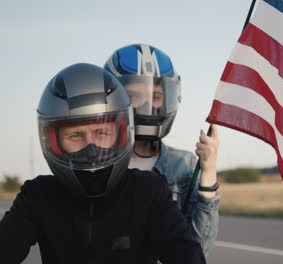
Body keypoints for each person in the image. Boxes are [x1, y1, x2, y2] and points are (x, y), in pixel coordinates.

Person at [0, 63, 206, 264]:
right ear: (53, 141)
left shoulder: (149, 191)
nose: (91, 147)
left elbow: (185, 254)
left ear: (122, 133)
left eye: (101, 132)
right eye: (75, 135)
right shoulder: (38, 196)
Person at [104, 44, 221, 255]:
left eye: (155, 96)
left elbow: (198, 250)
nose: (147, 104)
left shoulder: (183, 166)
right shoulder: (99, 163)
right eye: (133, 96)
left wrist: (208, 173)